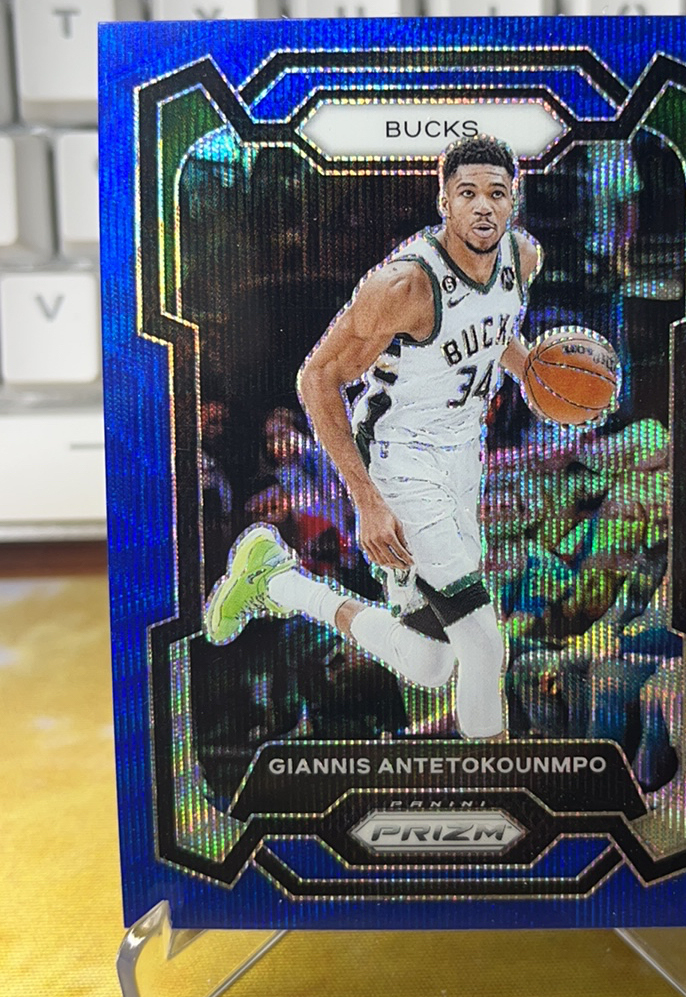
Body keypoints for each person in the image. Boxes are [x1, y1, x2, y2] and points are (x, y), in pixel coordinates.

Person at [202, 136, 540, 740]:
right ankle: (492, 786)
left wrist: (534, 373)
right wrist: (368, 500)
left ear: (513, 200)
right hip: (399, 458)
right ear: (444, 202)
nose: (483, 206)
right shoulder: (403, 287)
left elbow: (493, 333)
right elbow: (316, 378)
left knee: (431, 662)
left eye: (496, 192)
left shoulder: (523, 257)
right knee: (483, 645)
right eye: (467, 193)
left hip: (463, 455)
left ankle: (276, 581)